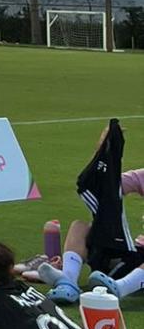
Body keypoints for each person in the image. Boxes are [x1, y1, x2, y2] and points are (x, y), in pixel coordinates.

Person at [29, 119, 140, 305]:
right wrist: (103, 152)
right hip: (134, 254)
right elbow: (107, 183)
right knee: (79, 227)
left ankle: (121, 288)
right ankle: (68, 281)